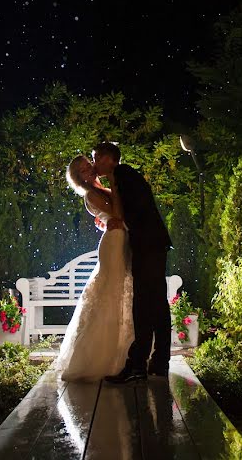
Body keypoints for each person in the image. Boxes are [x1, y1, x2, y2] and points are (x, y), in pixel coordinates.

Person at [93, 142, 173, 383]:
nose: (94, 163)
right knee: (156, 302)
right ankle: (158, 362)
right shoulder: (122, 176)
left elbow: (133, 208)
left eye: (95, 158)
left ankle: (138, 364)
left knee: (144, 303)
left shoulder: (123, 174)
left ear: (108, 159)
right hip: (152, 244)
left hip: (148, 245)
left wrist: (119, 220)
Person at [56, 154, 134, 382]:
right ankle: (101, 358)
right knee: (110, 292)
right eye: (82, 170)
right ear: (78, 178)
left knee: (121, 293)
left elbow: (116, 216)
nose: (89, 169)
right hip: (113, 244)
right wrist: (113, 184)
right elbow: (118, 214)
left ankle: (125, 353)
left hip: (120, 239)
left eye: (88, 165)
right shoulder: (91, 194)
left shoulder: (99, 191)